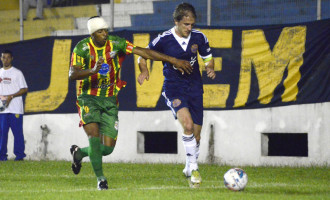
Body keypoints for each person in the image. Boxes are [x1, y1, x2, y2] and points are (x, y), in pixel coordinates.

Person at [69, 16, 192, 190]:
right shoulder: (81, 48)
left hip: (110, 99)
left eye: (106, 30)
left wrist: (173, 60)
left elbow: (144, 52)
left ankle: (79, 153)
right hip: (88, 98)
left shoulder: (116, 43)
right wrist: (92, 70)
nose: (105, 34)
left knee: (107, 149)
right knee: (94, 139)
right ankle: (101, 180)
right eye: (100, 31)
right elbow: (72, 74)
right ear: (93, 34)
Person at [137, 3, 216, 188]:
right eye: (186, 24)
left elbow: (208, 58)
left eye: (192, 24)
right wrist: (144, 70)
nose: (189, 28)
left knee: (196, 137)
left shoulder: (199, 37)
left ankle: (189, 167)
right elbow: (143, 55)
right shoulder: (164, 39)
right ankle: (195, 168)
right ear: (176, 22)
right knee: (187, 125)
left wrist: (210, 69)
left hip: (195, 87)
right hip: (174, 87)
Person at [0, 50, 28, 161]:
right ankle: (2, 157)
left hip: (16, 109)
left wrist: (11, 96)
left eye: (8, 57)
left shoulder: (17, 73)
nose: (5, 59)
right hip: (2, 110)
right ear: (1, 58)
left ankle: (19, 156)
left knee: (17, 134)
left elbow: (24, 89)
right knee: (2, 134)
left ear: (12, 58)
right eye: (3, 57)